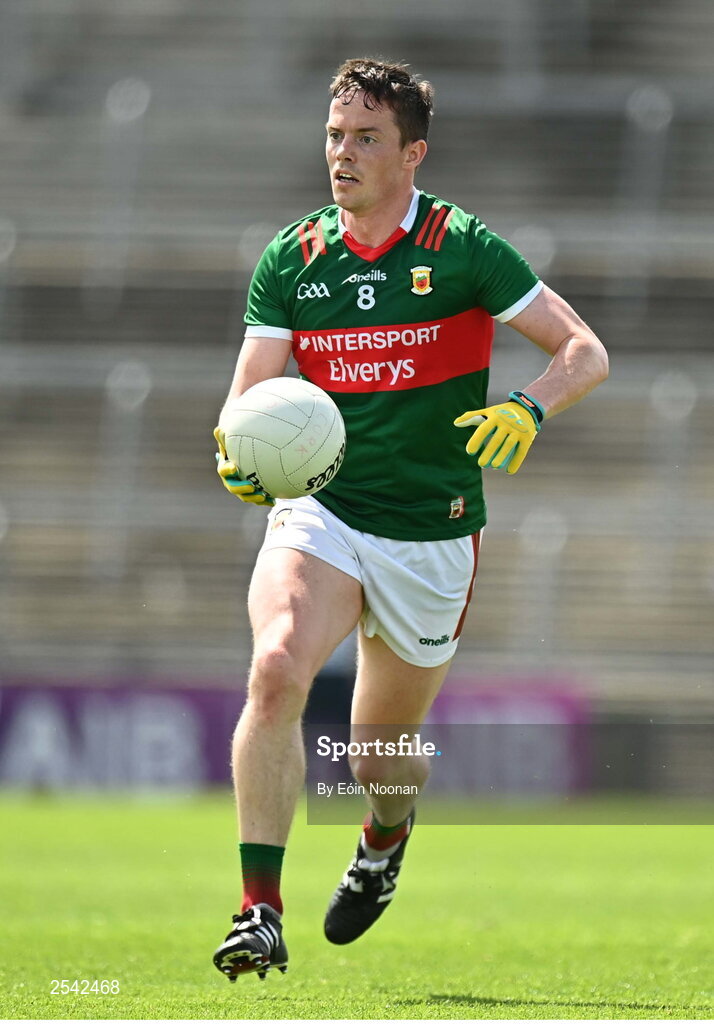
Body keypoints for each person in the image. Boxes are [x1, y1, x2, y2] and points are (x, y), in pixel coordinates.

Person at [211, 57, 608, 982]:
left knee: (379, 756)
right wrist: (238, 452)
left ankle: (384, 840)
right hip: (326, 513)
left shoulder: (462, 247)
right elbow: (247, 400)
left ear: (412, 153)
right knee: (275, 668)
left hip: (433, 530)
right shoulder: (293, 257)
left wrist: (529, 405)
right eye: (333, 137)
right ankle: (258, 910)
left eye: (365, 139)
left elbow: (583, 349)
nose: (341, 155)